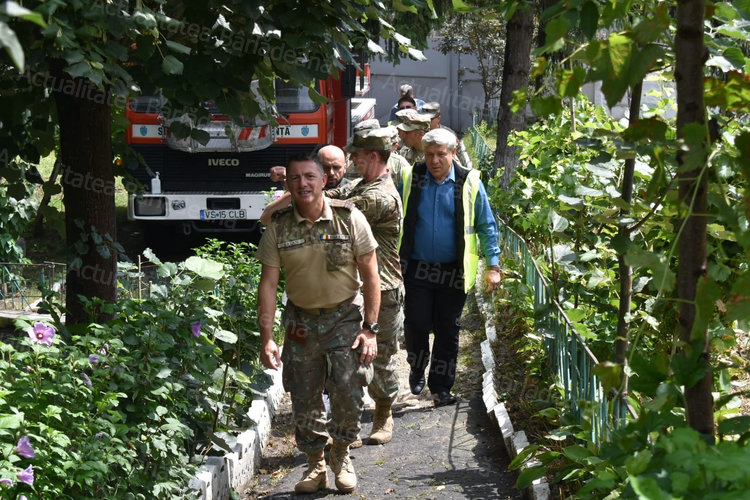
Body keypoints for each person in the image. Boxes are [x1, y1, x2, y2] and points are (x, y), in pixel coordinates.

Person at [257, 154, 381, 494]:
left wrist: (370, 328)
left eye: (310, 176)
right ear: (287, 184)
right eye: (295, 178)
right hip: (301, 321)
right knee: (304, 393)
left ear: (324, 180)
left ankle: (341, 452)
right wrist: (267, 338)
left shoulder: (349, 218)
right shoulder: (279, 226)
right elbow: (268, 284)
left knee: (349, 387)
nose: (303, 184)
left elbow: (371, 275)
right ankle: (315, 464)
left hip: (344, 317)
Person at [399, 128, 501, 408]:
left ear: (454, 152)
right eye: (429, 155)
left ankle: (441, 387)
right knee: (416, 323)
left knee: (447, 329)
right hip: (416, 268)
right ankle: (417, 368)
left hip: (453, 271)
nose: (434, 161)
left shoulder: (469, 182)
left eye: (441, 155)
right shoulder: (411, 177)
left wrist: (493, 265)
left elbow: (486, 225)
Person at [421, 102, 472, 169]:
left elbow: (459, 154)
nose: (426, 122)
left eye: (430, 119)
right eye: (424, 118)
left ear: (438, 118)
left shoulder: (449, 134)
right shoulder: (418, 134)